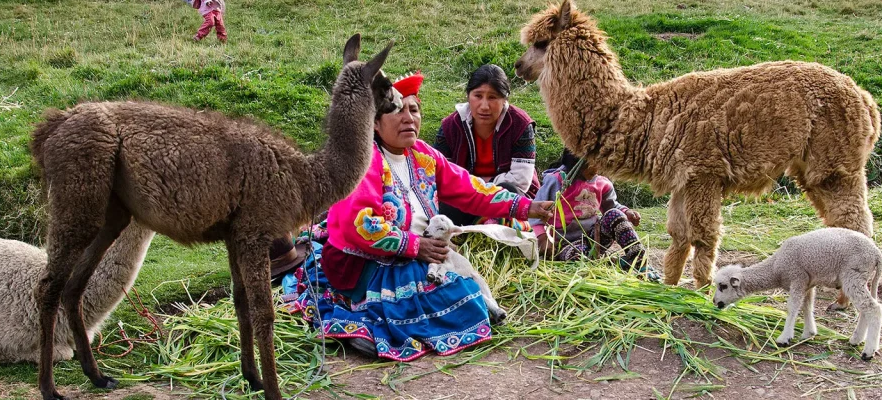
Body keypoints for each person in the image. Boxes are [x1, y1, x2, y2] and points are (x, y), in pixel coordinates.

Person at [282, 72, 554, 361]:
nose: (408, 117)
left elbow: (471, 188)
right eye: (397, 110)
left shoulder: (423, 155)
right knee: (449, 301)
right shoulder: (366, 161)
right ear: (375, 122)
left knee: (464, 296)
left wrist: (527, 207)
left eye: (414, 109)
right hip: (368, 261)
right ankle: (366, 330)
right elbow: (358, 224)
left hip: (416, 254)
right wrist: (415, 246)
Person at [434, 64, 539, 226]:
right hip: (467, 198)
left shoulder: (520, 125)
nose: (484, 106)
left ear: (505, 100)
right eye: (478, 96)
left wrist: (479, 190)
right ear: (468, 96)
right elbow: (440, 176)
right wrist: (474, 193)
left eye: (492, 97)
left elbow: (521, 180)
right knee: (446, 205)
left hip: (511, 198)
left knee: (507, 190)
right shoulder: (450, 127)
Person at [531, 149, 657, 278]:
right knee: (578, 260)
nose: (596, 168)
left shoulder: (602, 183)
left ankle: (639, 261)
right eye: (593, 162)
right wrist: (542, 238)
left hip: (593, 238)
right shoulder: (557, 181)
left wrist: (626, 212)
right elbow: (536, 214)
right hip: (563, 243)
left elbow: (612, 206)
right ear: (577, 160)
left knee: (614, 214)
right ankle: (613, 264)